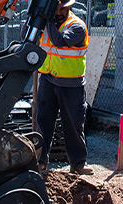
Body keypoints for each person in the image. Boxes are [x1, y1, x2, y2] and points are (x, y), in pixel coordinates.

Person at [35, 0, 91, 175]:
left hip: (71, 84)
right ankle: (40, 162)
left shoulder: (77, 26)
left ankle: (78, 164)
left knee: (73, 124)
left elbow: (60, 41)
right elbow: (25, 35)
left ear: (69, 7)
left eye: (62, 9)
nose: (58, 12)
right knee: (43, 122)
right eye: (56, 9)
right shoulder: (46, 23)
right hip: (48, 79)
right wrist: (34, 19)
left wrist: (48, 20)